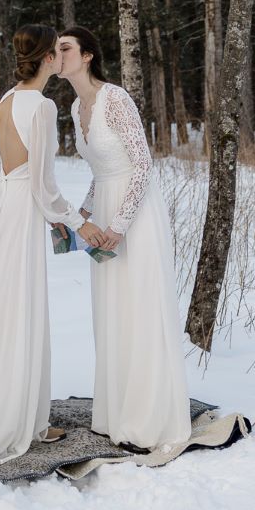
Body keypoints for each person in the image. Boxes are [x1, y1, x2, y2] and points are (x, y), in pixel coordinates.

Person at [0, 24, 105, 465]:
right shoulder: (43, 107)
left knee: (7, 309)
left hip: (5, 205)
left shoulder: (8, 99)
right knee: (23, 311)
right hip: (24, 210)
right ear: (49, 58)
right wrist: (77, 223)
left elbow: (22, 173)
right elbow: (44, 187)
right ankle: (16, 421)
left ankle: (28, 416)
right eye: (58, 52)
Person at [58, 26, 191, 451]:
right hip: (104, 206)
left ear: (87, 56)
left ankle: (147, 417)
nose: (57, 55)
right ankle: (116, 412)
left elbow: (141, 164)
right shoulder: (76, 105)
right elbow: (102, 172)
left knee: (138, 307)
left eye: (65, 49)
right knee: (111, 309)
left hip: (136, 214)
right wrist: (79, 214)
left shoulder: (114, 98)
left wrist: (119, 225)